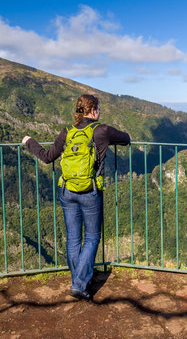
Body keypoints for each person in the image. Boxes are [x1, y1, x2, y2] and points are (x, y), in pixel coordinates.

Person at [22, 94, 130, 301]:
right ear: (94, 110)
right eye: (98, 108)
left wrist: (29, 141)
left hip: (67, 191)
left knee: (73, 238)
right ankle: (80, 284)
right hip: (90, 191)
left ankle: (79, 280)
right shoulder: (102, 131)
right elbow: (125, 139)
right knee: (92, 237)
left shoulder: (67, 132)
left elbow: (47, 157)